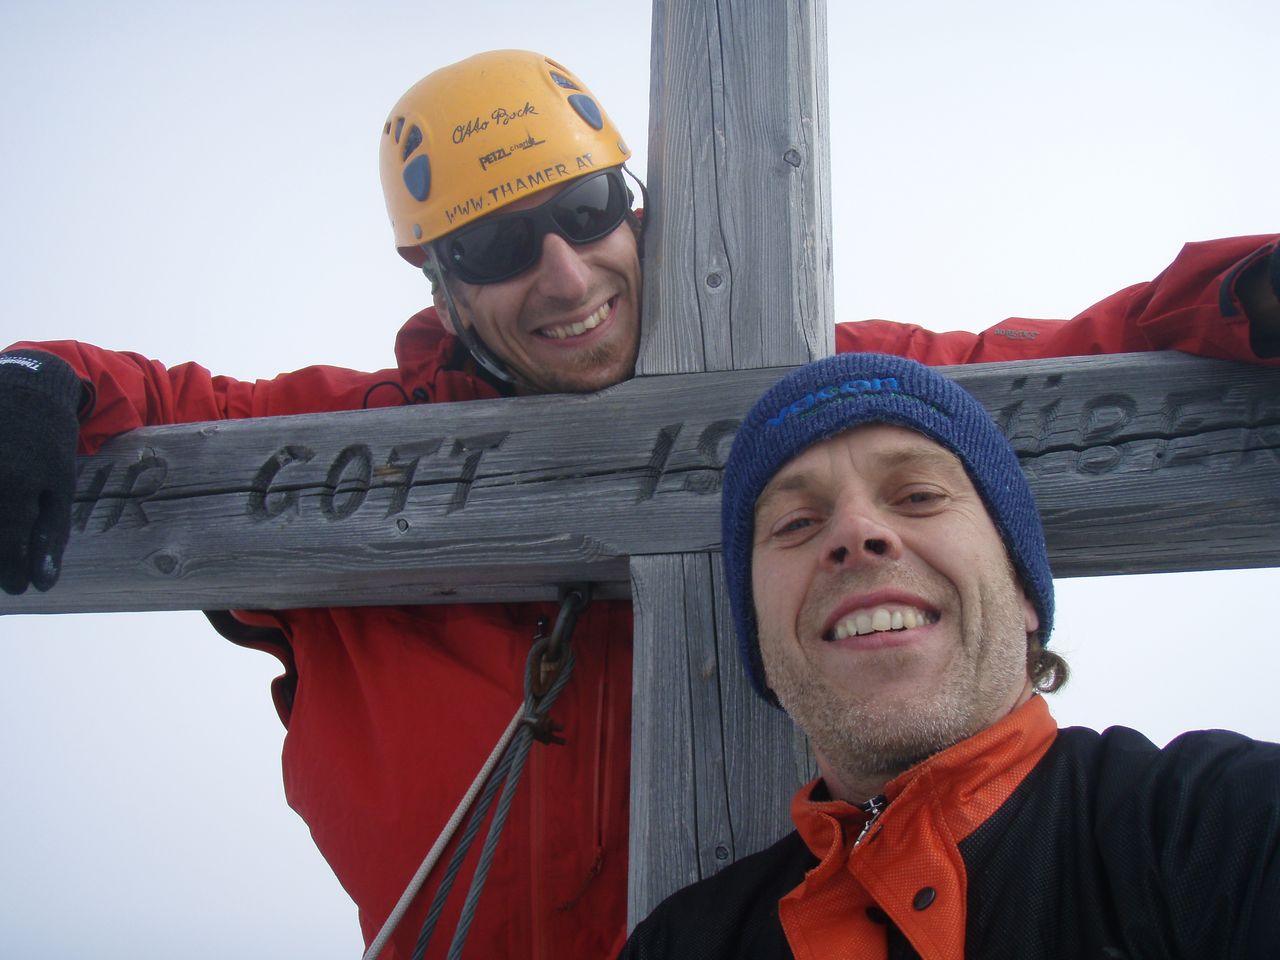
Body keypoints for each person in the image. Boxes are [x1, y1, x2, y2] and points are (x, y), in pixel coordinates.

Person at [0, 47, 1278, 960]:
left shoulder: (810, 402)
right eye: (497, 247)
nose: (562, 272)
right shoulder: (366, 448)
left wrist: (1246, 295)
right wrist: (40, 380)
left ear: (636, 203)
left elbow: (1067, 367)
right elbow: (158, 409)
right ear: (438, 283)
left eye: (584, 208)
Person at [619, 352, 1280, 958]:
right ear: (759, 645)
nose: (856, 532)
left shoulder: (1230, 829)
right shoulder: (678, 946)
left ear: (1023, 587)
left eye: (918, 496)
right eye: (796, 523)